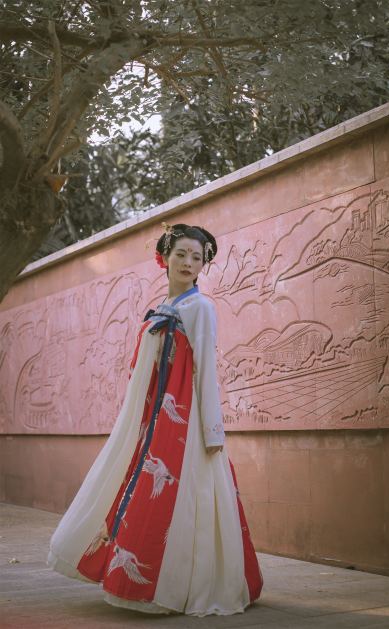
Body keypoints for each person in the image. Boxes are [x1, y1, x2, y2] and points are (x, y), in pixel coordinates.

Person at [47, 222, 263, 616]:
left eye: (196, 257)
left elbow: (205, 369)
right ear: (163, 258)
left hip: (186, 422)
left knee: (187, 500)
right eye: (181, 254)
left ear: (203, 265)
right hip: (155, 419)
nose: (188, 262)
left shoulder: (201, 308)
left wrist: (212, 430)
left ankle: (183, 585)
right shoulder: (164, 308)